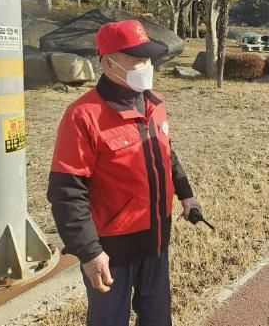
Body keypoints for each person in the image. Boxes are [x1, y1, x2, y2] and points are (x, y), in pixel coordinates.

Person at [47, 19, 202, 326]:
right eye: (136, 59)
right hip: (111, 252)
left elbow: (166, 154)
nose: (146, 66)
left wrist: (186, 195)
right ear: (107, 64)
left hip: (156, 243)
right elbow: (66, 193)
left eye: (148, 59)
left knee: (158, 318)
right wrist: (90, 253)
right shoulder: (83, 116)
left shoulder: (154, 103)